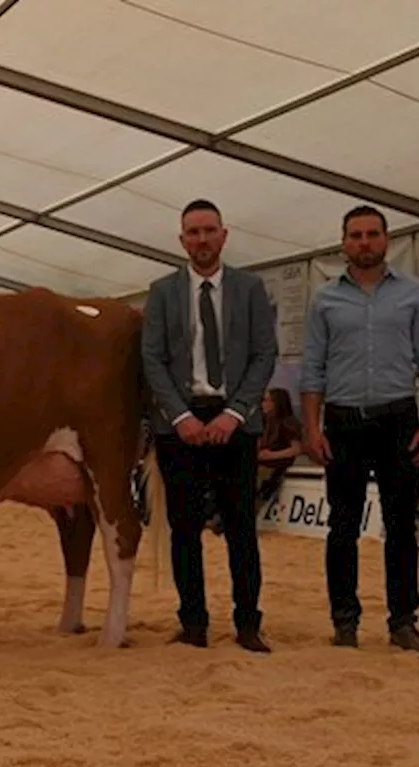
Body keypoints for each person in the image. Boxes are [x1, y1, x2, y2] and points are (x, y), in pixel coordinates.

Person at [299, 205, 419, 656]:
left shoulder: (414, 294)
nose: (365, 242)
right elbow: (313, 371)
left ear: (386, 239)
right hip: (342, 423)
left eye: (373, 234)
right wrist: (311, 427)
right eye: (356, 235)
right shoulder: (324, 300)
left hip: (399, 420)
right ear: (344, 242)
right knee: (342, 527)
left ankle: (403, 622)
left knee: (402, 528)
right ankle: (345, 623)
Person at [141, 198, 277, 653]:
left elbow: (264, 354)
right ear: (182, 240)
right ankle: (193, 623)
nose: (202, 239)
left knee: (241, 527)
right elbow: (152, 358)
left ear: (224, 234)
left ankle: (248, 624)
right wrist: (179, 416)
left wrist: (234, 413)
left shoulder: (251, 288)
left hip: (235, 421)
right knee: (184, 529)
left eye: (209, 230)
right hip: (179, 424)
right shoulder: (161, 292)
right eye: (193, 232)